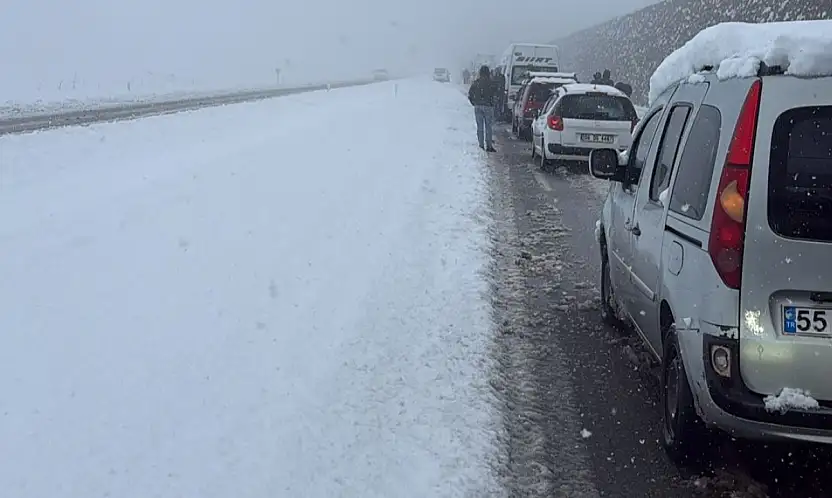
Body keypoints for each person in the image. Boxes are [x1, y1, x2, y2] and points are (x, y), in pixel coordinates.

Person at [468, 65, 498, 152]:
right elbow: (496, 95)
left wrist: (474, 102)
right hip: (488, 106)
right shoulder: (491, 83)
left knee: (480, 127)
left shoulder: (476, 82)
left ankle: (481, 145)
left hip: (478, 106)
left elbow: (470, 94)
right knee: (488, 127)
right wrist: (492, 103)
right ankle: (489, 145)